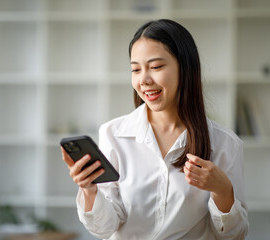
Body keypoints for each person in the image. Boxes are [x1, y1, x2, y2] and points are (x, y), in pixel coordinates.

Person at [61, 19, 248, 239]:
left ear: (185, 68)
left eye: (156, 67)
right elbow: (104, 228)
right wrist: (89, 190)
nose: (144, 80)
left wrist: (223, 191)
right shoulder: (113, 134)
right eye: (136, 70)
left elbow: (234, 236)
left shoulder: (224, 143)